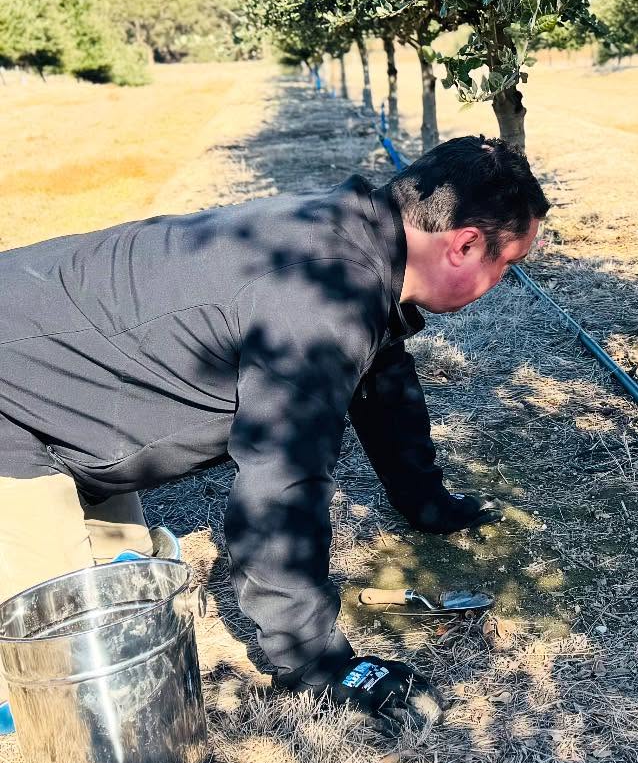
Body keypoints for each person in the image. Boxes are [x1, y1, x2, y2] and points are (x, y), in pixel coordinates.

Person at [0, 136, 548, 726]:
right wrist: (316, 662)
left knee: (129, 588)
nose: (504, 280)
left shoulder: (356, 239)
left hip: (55, 375)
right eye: (507, 265)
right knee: (57, 669)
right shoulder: (322, 299)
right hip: (16, 405)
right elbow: (281, 484)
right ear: (465, 244)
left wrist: (428, 504)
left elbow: (383, 381)